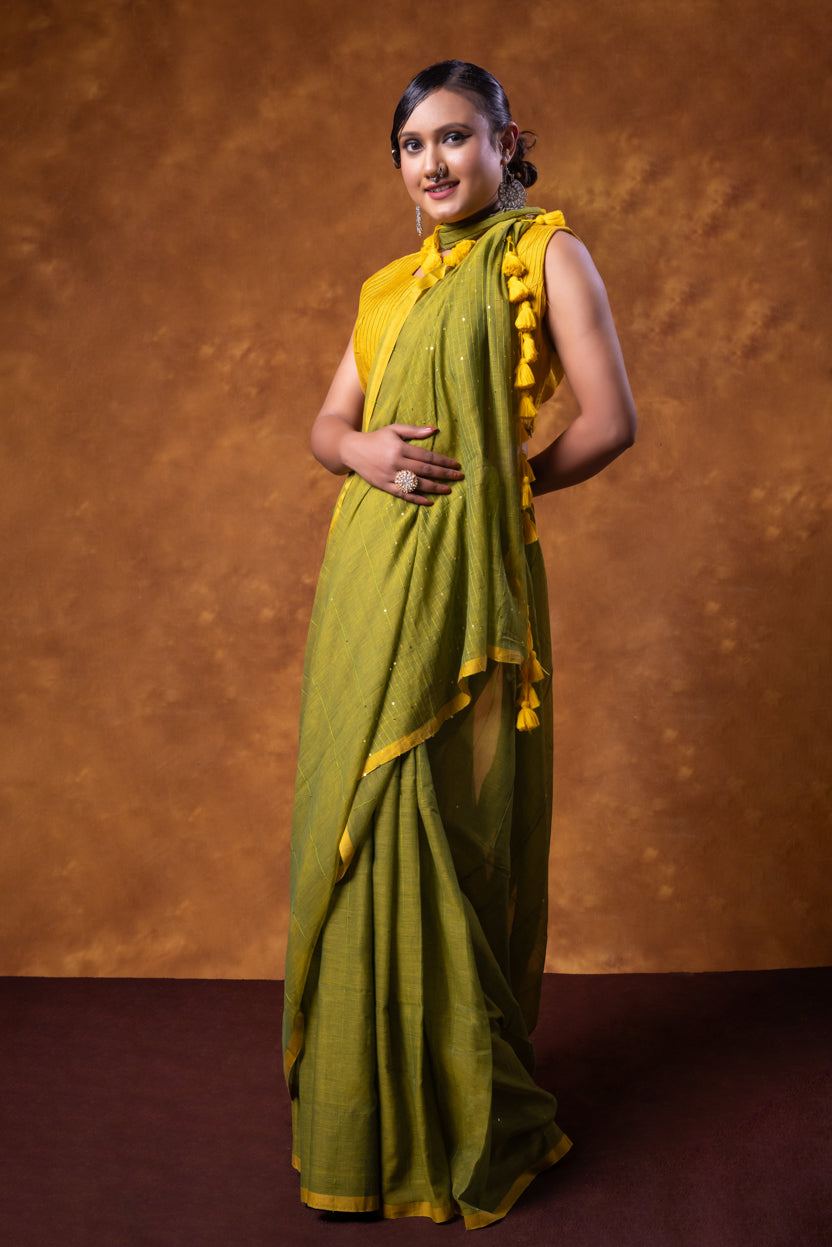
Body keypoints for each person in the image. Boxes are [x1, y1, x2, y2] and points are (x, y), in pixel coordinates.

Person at [283, 60, 636, 1229]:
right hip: (364, 580)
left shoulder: (546, 256)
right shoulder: (386, 289)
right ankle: (361, 1131)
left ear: (504, 141)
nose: (432, 163)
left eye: (453, 139)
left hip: (466, 587)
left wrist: (504, 492)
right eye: (411, 147)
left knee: (453, 826)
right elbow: (326, 423)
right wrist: (364, 451)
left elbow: (610, 418)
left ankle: (458, 1116)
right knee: (366, 821)